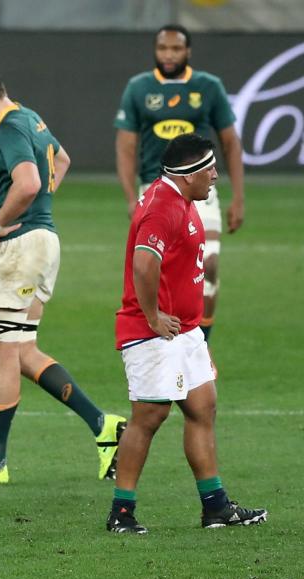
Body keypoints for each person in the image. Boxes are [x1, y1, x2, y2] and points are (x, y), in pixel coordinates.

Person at [0, 56, 126, 485]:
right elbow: (63, 161)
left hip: (20, 249)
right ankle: (103, 425)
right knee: (21, 351)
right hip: (46, 243)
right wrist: (39, 211)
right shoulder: (32, 117)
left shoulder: (10, 128)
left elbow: (30, 183)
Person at [106, 134, 266, 534]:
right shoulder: (163, 206)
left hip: (185, 331)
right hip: (154, 333)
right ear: (190, 174)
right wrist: (153, 317)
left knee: (202, 406)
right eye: (210, 169)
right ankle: (121, 512)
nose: (216, 175)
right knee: (149, 415)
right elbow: (144, 265)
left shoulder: (182, 199)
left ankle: (216, 507)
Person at [115, 24, 246, 345]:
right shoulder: (139, 88)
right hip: (157, 190)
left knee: (209, 263)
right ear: (155, 51)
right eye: (163, 49)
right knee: (164, 269)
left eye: (176, 49)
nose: (169, 55)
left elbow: (230, 142)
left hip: (202, 192)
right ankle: (163, 332)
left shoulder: (208, 87)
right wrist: (132, 196)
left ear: (188, 51)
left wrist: (239, 197)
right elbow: (126, 145)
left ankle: (202, 341)